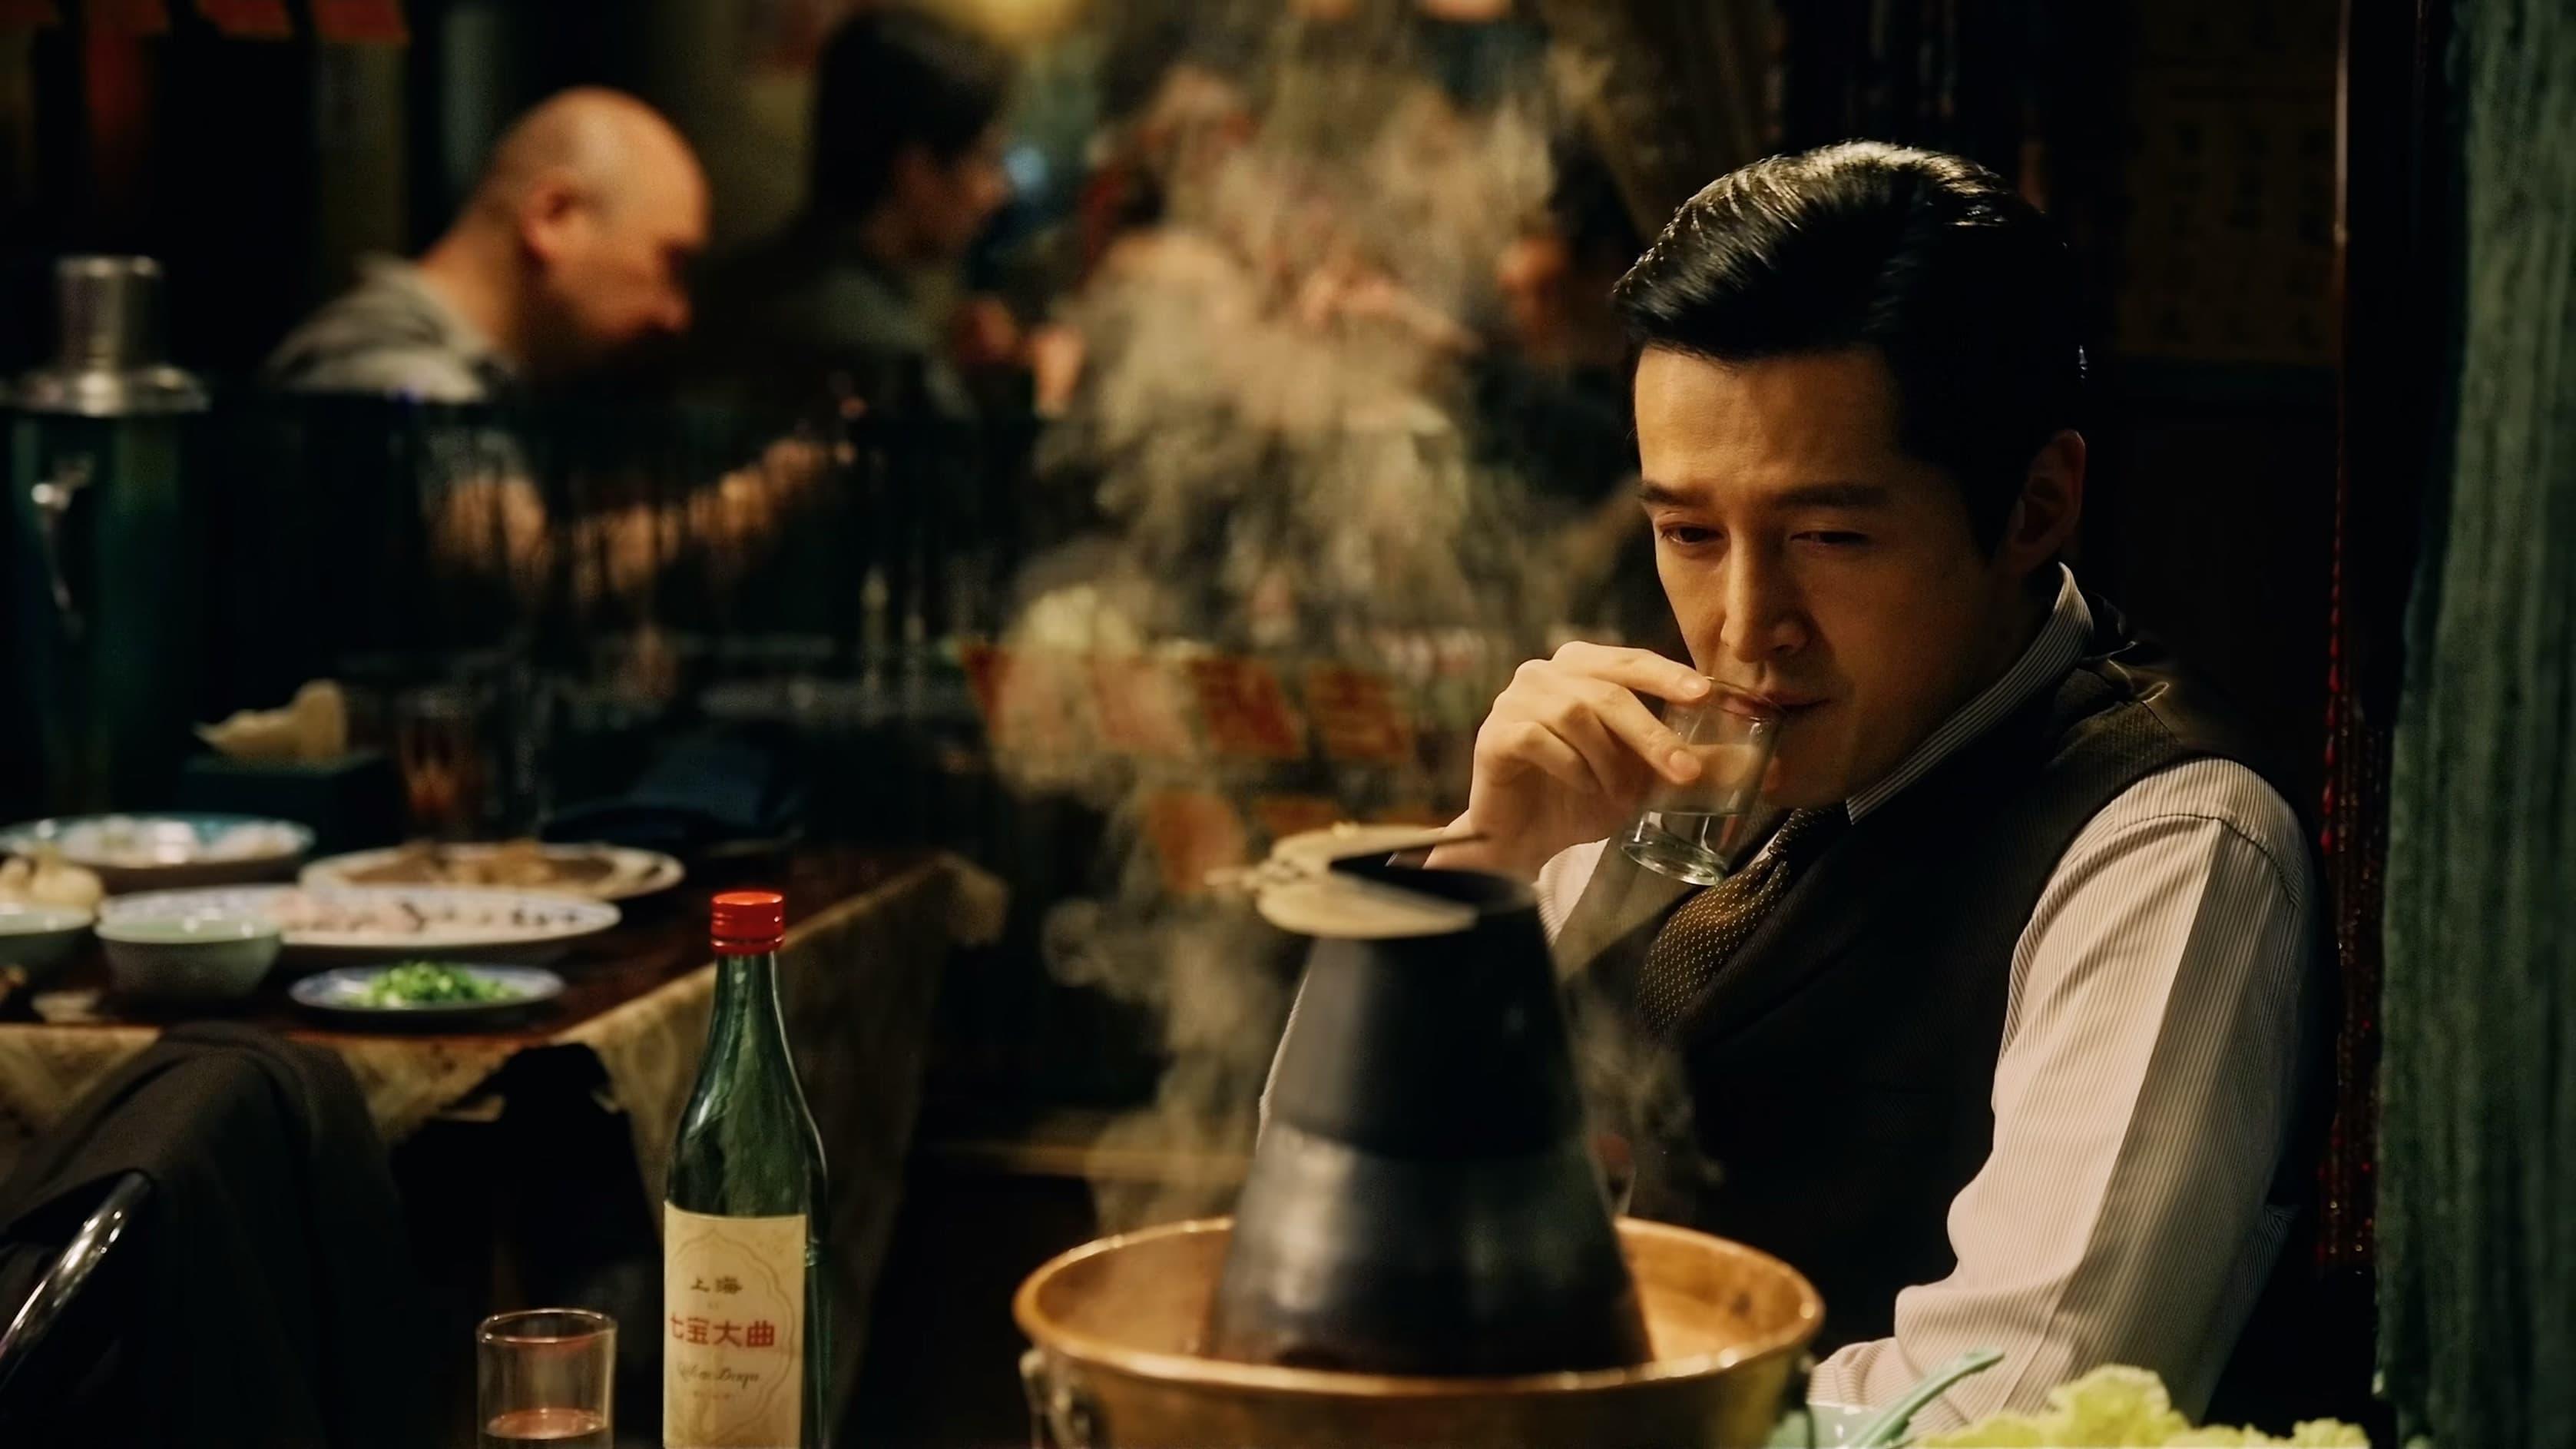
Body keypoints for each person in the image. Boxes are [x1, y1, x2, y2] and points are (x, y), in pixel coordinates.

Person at [1416, 143, 2324, 1431]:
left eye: (1828, 537)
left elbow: (2001, 1414)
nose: (1744, 626)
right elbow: (1340, 1249)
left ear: (2034, 507)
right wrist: (1475, 877)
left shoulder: (2166, 841)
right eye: (1687, 532)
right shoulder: (1649, 767)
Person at [266, 88, 707, 400]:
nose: (675, 314)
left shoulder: (490, 380)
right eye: (670, 264)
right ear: (553, 217)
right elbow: (481, 510)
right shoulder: (380, 370)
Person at [692, 5, 1015, 416]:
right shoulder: (890, 362)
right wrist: (1042, 403)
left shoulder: (730, 294)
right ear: (917, 172)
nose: (998, 191)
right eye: (986, 160)